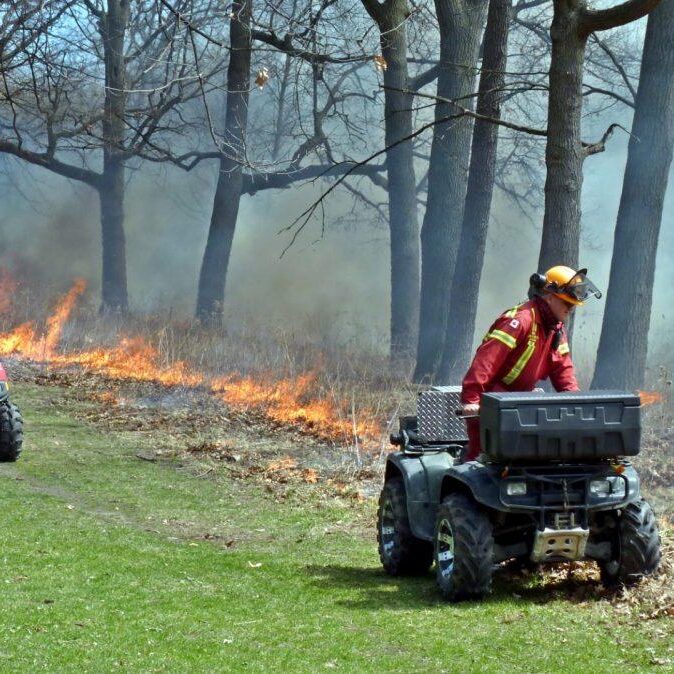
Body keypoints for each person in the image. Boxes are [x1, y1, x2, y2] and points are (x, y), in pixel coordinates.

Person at [460, 265, 602, 461]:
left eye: (573, 305)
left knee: (526, 462)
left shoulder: (556, 329)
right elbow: (486, 361)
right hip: (492, 402)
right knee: (483, 464)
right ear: (550, 296)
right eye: (566, 303)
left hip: (520, 402)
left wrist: (575, 404)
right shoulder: (520, 320)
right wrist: (472, 399)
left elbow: (563, 371)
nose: (570, 309)